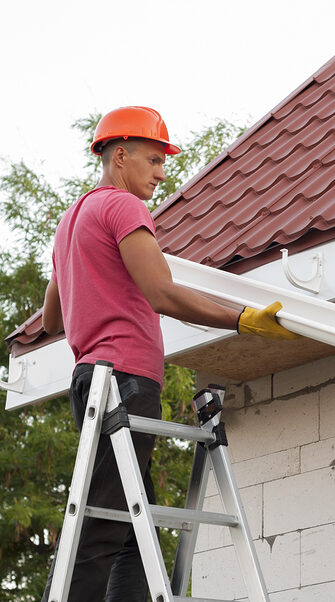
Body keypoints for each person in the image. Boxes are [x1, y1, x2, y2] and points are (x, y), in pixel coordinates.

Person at [40, 106, 297, 602]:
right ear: (121, 156)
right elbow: (163, 293)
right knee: (99, 529)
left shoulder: (71, 220)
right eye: (154, 160)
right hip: (124, 381)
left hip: (90, 383)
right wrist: (241, 317)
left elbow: (52, 321)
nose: (162, 172)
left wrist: (91, 288)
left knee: (132, 536)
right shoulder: (122, 207)